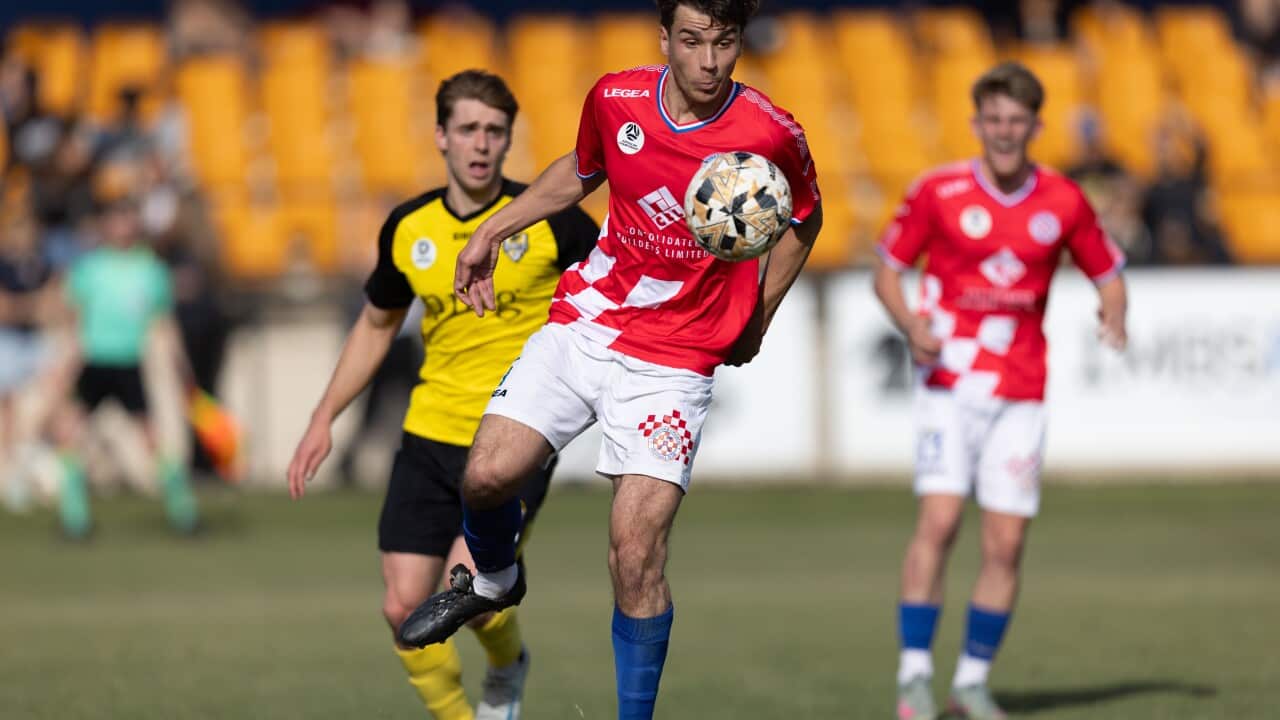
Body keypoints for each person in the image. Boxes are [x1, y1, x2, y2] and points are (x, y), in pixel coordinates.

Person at [396, 2, 824, 718]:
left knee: (635, 552)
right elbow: (582, 170)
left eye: (724, 43)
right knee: (488, 473)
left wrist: (759, 314)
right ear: (666, 40)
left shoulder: (770, 132)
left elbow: (806, 216)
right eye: (692, 42)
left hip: (677, 359)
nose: (710, 62)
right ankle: (495, 579)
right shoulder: (616, 97)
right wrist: (495, 229)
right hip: (588, 323)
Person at [286, 70, 599, 720]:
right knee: (403, 608)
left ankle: (506, 670)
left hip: (516, 435)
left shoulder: (554, 224)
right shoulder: (408, 227)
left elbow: (612, 305)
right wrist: (324, 418)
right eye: (468, 129)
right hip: (430, 434)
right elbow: (376, 325)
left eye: (494, 131)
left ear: (509, 139)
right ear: (441, 137)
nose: (481, 144)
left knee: (470, 594)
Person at [874, 62, 1128, 720]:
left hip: (1020, 388)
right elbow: (888, 270)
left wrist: (1115, 312)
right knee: (940, 521)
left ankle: (972, 683)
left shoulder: (1064, 200)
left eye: (1017, 121)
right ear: (976, 123)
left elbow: (1107, 270)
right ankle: (914, 676)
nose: (1005, 132)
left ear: (1036, 126)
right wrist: (909, 324)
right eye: (994, 120)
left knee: (1007, 543)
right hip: (949, 380)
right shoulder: (938, 191)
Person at [54, 164, 200, 538]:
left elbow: (163, 322)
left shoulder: (150, 270)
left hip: (128, 362)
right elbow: (72, 320)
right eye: (115, 218)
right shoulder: (90, 269)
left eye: (128, 217)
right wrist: (65, 363)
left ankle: (181, 508)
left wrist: (180, 365)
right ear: (105, 225)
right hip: (95, 361)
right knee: (71, 431)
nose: (122, 225)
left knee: (150, 435)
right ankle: (75, 514)